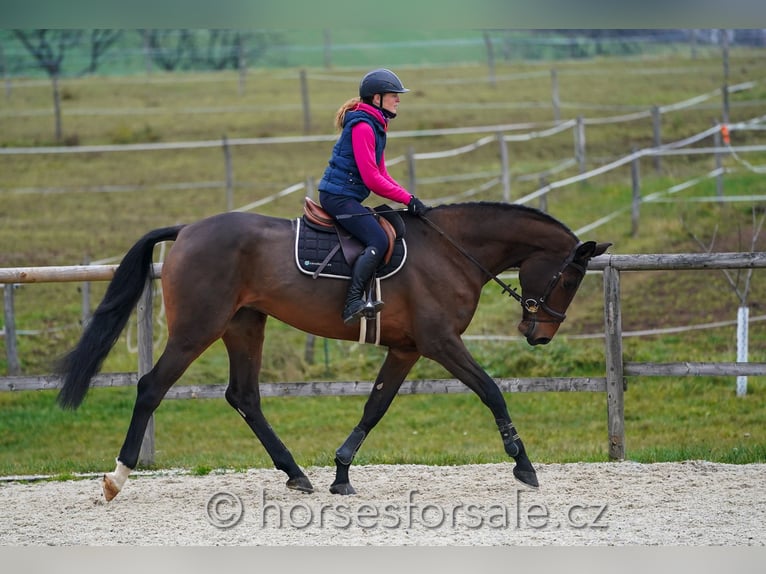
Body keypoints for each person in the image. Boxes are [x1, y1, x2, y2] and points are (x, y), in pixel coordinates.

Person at [318, 68, 428, 325]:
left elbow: (382, 172)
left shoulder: (376, 125)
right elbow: (371, 179)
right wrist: (406, 199)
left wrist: (408, 197)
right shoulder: (364, 127)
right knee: (377, 238)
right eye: (393, 95)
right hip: (338, 197)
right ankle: (352, 302)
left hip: (348, 197)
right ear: (376, 98)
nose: (398, 99)